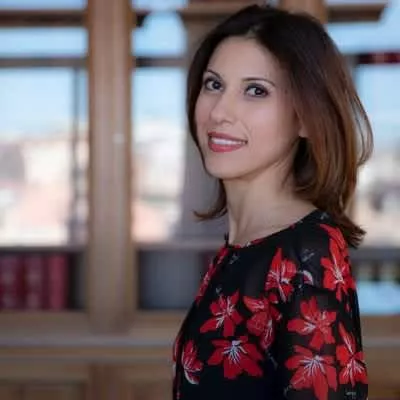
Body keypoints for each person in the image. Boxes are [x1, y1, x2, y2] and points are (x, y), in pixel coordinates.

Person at [173, 4, 373, 400]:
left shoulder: (307, 254)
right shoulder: (243, 247)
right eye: (213, 84)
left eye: (256, 90)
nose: (220, 111)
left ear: (305, 118)